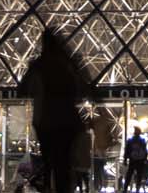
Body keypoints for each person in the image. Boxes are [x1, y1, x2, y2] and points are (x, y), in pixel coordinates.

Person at [20, 27, 93, 193]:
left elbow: (22, 89)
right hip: (68, 122)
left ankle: (47, 186)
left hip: (46, 121)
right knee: (64, 165)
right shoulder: (69, 62)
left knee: (49, 162)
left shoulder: (39, 64)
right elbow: (85, 88)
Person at [121, 128, 148, 193]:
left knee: (130, 175)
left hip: (133, 160)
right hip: (139, 161)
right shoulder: (142, 140)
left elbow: (127, 151)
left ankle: (126, 189)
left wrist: (125, 159)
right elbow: (145, 151)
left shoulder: (131, 140)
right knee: (138, 176)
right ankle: (136, 189)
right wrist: (145, 159)